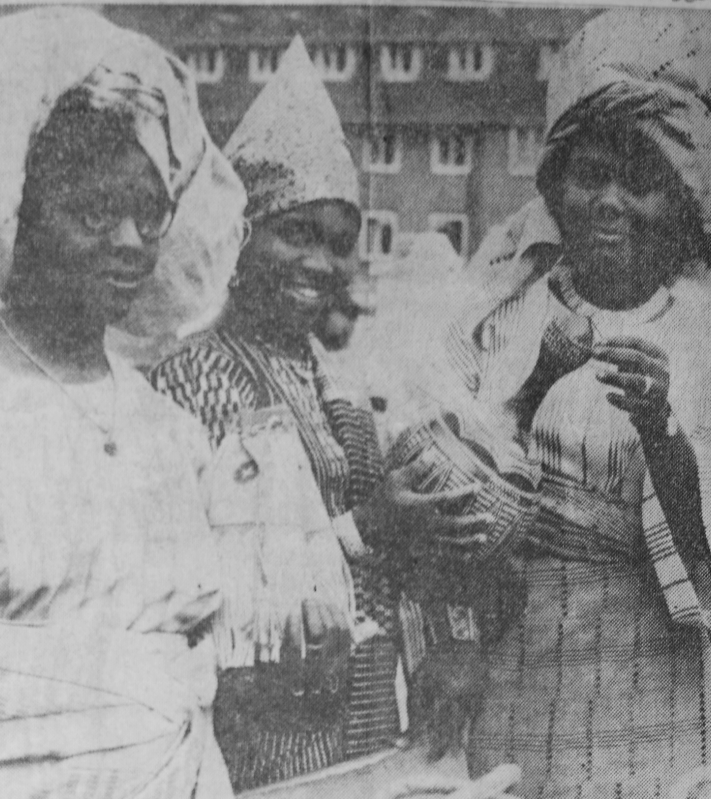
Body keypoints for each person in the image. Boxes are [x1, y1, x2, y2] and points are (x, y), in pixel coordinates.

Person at [0, 8, 247, 798]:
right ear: (20, 209)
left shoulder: (170, 430)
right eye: (96, 211)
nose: (134, 241)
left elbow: (193, 669)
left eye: (152, 212)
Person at [439, 9, 711, 798]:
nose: (609, 202)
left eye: (640, 183)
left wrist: (667, 433)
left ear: (681, 201)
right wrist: (530, 390)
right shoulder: (501, 314)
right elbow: (443, 474)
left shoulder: (709, 338)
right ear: (556, 184)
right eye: (589, 174)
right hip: (521, 657)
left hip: (655, 659)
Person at [151, 35, 482, 791]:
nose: (318, 265)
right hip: (255, 727)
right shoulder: (188, 379)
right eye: (294, 232)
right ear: (240, 233)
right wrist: (366, 529)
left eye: (338, 245)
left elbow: (409, 532)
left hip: (366, 711)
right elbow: (193, 580)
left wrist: (447, 637)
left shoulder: (339, 376)